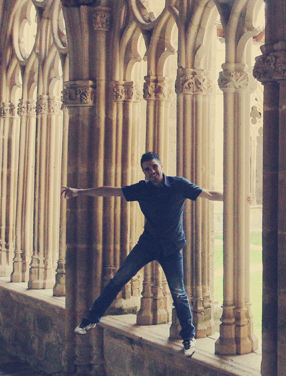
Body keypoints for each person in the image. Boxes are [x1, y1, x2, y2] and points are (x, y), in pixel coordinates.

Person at [62, 151, 223, 357]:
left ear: (161, 166)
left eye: (154, 166)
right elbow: (111, 192)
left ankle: (189, 338)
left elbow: (208, 194)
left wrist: (236, 199)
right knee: (118, 279)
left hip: (172, 248)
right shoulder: (142, 189)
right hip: (148, 244)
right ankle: (91, 319)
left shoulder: (178, 185)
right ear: (144, 172)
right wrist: (80, 192)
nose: (151, 171)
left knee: (179, 294)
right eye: (147, 169)